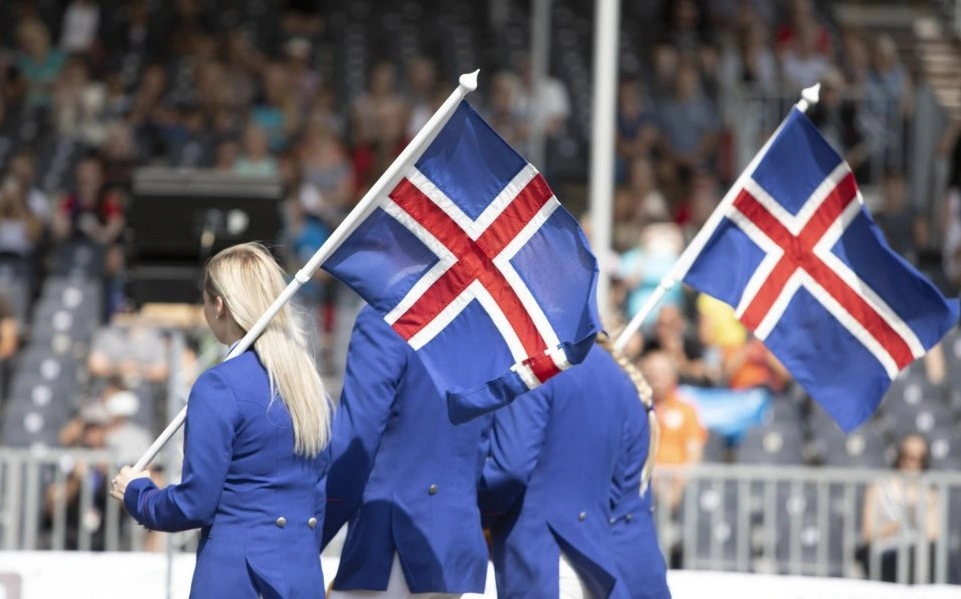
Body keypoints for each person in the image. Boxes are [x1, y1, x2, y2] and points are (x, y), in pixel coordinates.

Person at [110, 242, 333, 598]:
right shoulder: (310, 387)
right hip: (302, 575)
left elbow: (194, 504)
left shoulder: (218, 386)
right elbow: (320, 499)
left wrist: (139, 493)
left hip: (235, 579)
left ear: (218, 305)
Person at [322, 305, 490, 598]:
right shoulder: (481, 325)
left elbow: (354, 445)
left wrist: (312, 534)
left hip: (390, 542)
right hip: (455, 543)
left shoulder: (385, 316)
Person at [480, 341, 670, 599]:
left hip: (543, 558)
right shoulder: (613, 372)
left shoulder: (535, 359)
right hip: (595, 561)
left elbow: (510, 468)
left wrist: (471, 511)